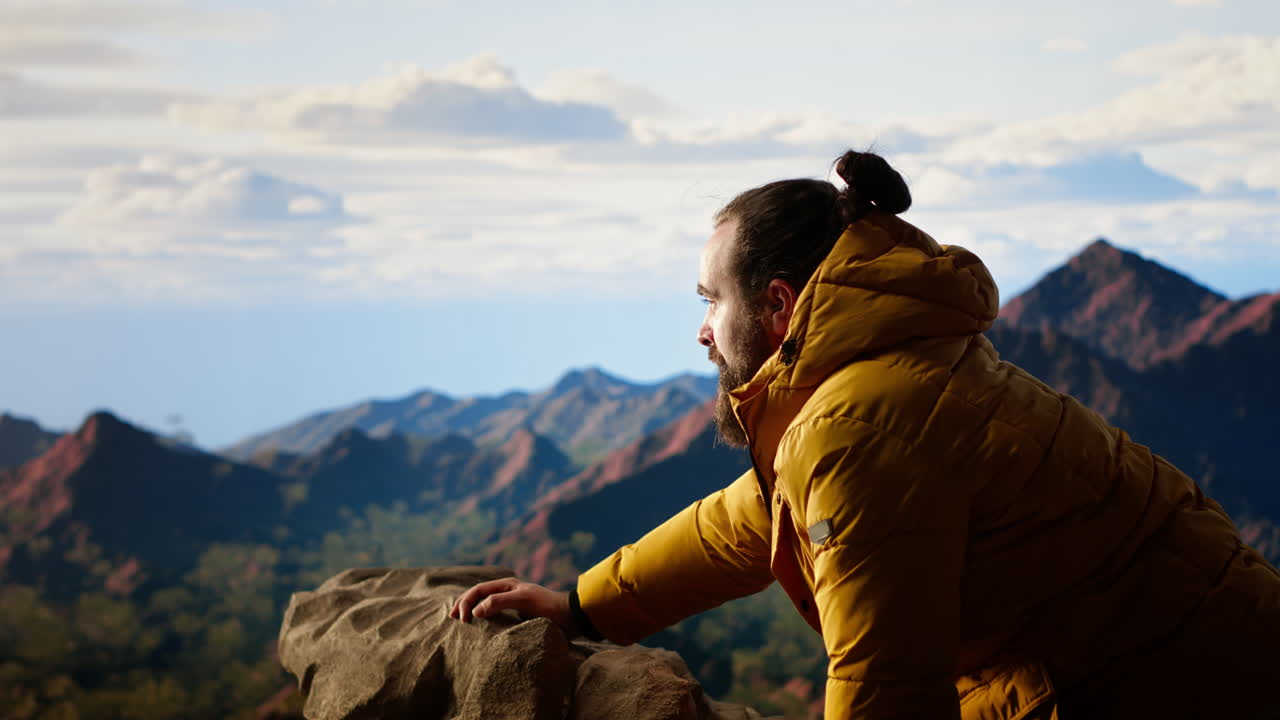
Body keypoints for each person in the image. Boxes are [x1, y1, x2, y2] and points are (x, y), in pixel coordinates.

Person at [451, 150, 1280, 719]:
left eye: (711, 301)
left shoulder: (858, 425)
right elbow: (747, 520)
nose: (703, 333)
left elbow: (884, 688)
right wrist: (579, 607)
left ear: (777, 308)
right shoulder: (869, 379)